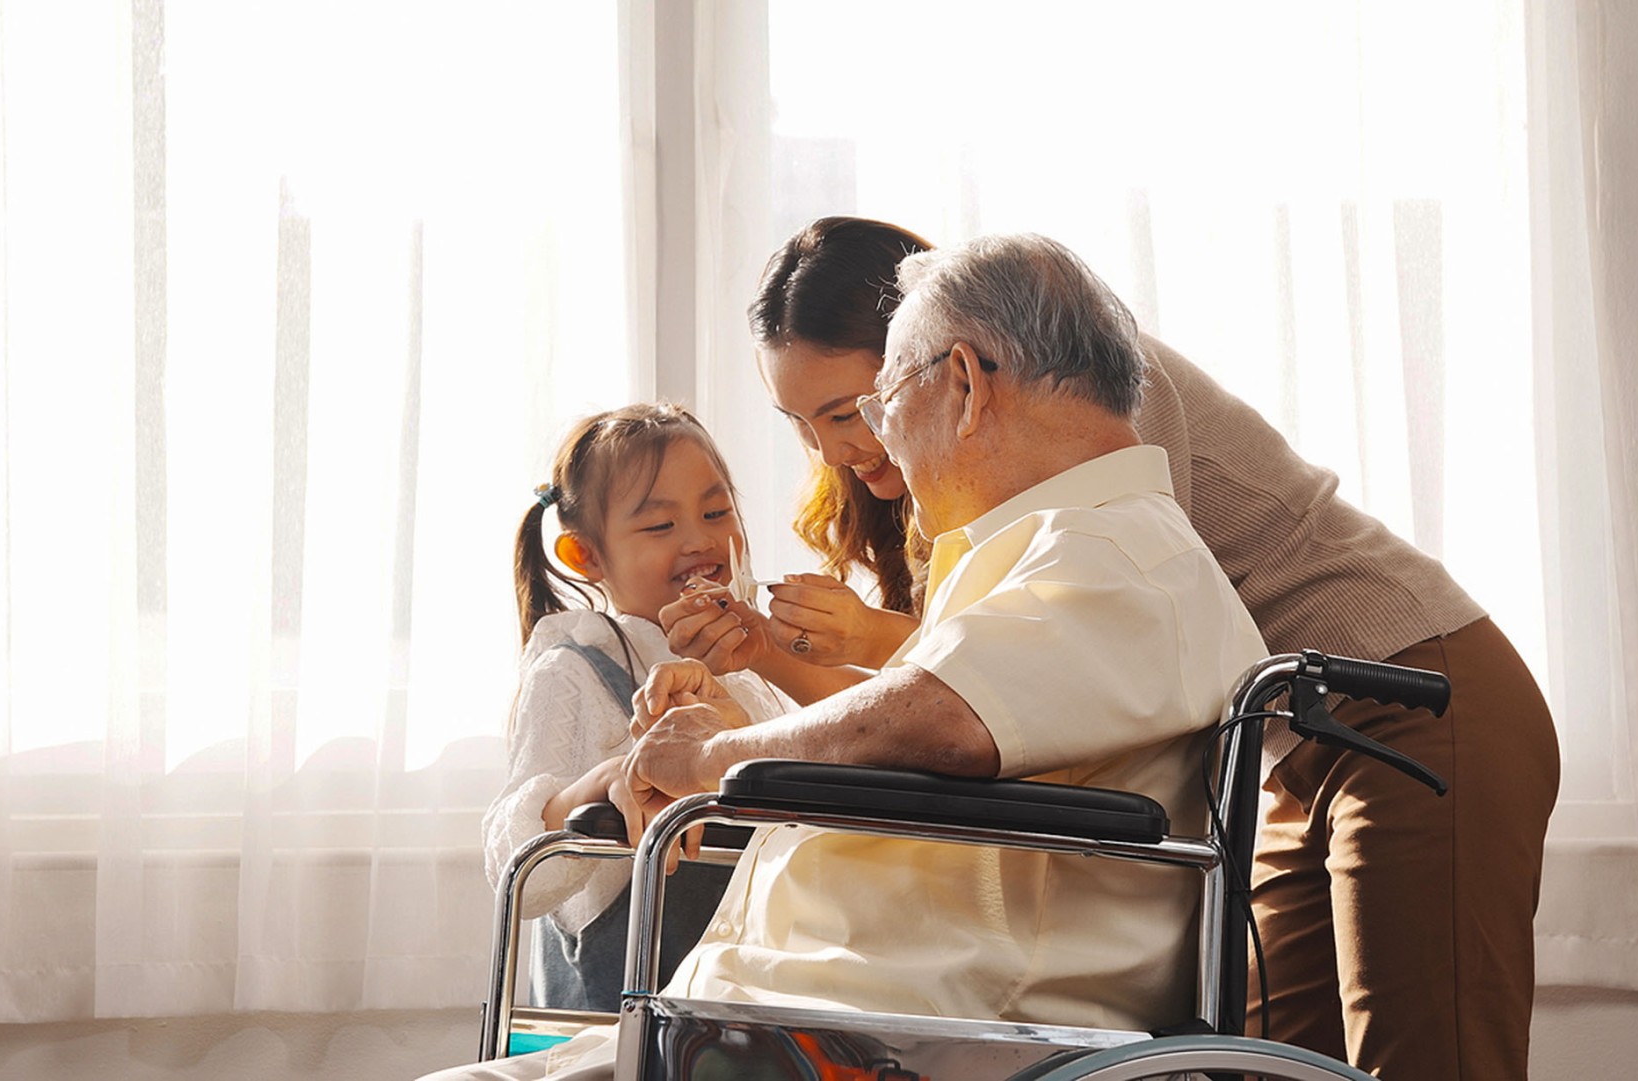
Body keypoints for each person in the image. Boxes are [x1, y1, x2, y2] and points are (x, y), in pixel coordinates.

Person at [672, 215, 1559, 1080]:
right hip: (1292, 740)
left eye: (854, 406)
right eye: (804, 424)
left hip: (1413, 692)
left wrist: (725, 748)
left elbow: (1046, 654)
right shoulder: (985, 461)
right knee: (1266, 1050)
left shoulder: (1089, 425)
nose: (836, 446)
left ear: (960, 371)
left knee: (1429, 1058)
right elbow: (995, 669)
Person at [424, 234, 1268, 1080]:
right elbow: (946, 718)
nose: (869, 442)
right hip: (810, 1016)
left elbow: (940, 717)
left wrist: (709, 756)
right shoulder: (1053, 551)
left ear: (966, 386)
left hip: (890, 1033)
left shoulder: (1111, 551)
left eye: (880, 403)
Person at [489, 403, 792, 1011]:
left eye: (716, 511)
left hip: (748, 1009)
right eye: (659, 526)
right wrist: (602, 784)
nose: (701, 540)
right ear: (587, 557)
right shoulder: (574, 670)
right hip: (624, 1022)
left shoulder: (753, 668)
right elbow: (518, 871)